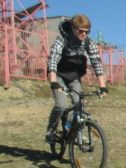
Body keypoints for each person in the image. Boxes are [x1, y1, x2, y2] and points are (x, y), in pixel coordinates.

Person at [45, 14, 108, 143]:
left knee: (79, 104)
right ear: (73, 28)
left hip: (74, 77)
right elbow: (53, 60)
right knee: (61, 105)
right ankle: (51, 131)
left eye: (87, 31)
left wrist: (102, 86)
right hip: (59, 76)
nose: (83, 34)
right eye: (81, 31)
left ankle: (80, 134)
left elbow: (96, 62)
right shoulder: (62, 39)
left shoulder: (88, 41)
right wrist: (53, 82)